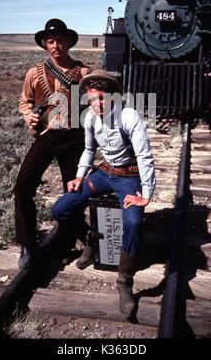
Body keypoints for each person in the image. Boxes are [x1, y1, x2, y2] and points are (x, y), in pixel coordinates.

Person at [51, 69, 156, 318]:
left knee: (133, 221)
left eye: (101, 98)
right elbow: (89, 150)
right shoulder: (90, 118)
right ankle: (90, 240)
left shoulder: (128, 116)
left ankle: (124, 282)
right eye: (91, 99)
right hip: (104, 174)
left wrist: (147, 194)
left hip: (128, 177)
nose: (97, 104)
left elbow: (144, 156)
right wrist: (78, 176)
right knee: (61, 208)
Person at [14, 18, 91, 269]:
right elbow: (24, 102)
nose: (55, 45)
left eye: (60, 40)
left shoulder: (83, 73)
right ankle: (27, 245)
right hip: (46, 138)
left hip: (73, 139)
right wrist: (29, 115)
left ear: (68, 42)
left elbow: (99, 102)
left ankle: (71, 241)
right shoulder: (34, 73)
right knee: (23, 186)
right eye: (50, 41)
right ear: (45, 45)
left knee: (73, 193)